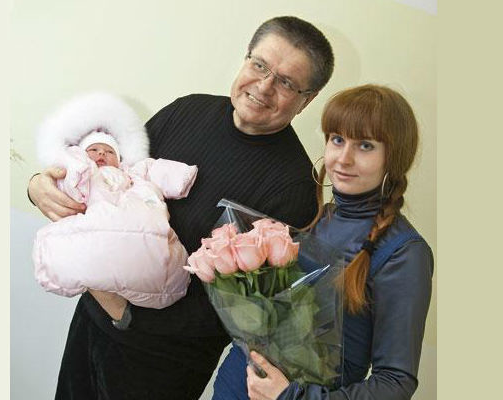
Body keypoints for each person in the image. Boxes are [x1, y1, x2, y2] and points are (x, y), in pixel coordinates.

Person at [27, 16, 334, 400]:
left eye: (286, 82)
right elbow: (111, 177)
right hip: (92, 322)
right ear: (245, 59)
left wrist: (125, 314)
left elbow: (245, 313)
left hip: (161, 365)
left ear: (307, 99)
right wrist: (38, 187)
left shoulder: (295, 190)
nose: (264, 86)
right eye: (259, 65)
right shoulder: (187, 110)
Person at [212, 84, 433, 400]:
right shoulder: (314, 215)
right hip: (234, 386)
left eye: (365, 145)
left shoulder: (403, 252)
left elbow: (395, 382)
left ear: (394, 158)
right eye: (337, 139)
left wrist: (293, 397)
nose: (343, 159)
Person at [33, 93, 196, 313]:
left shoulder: (134, 173)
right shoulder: (81, 170)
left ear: (120, 159)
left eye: (109, 151)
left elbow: (154, 168)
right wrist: (74, 165)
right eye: (93, 150)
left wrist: (181, 176)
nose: (102, 153)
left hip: (137, 224)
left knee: (164, 264)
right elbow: (63, 183)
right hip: (94, 224)